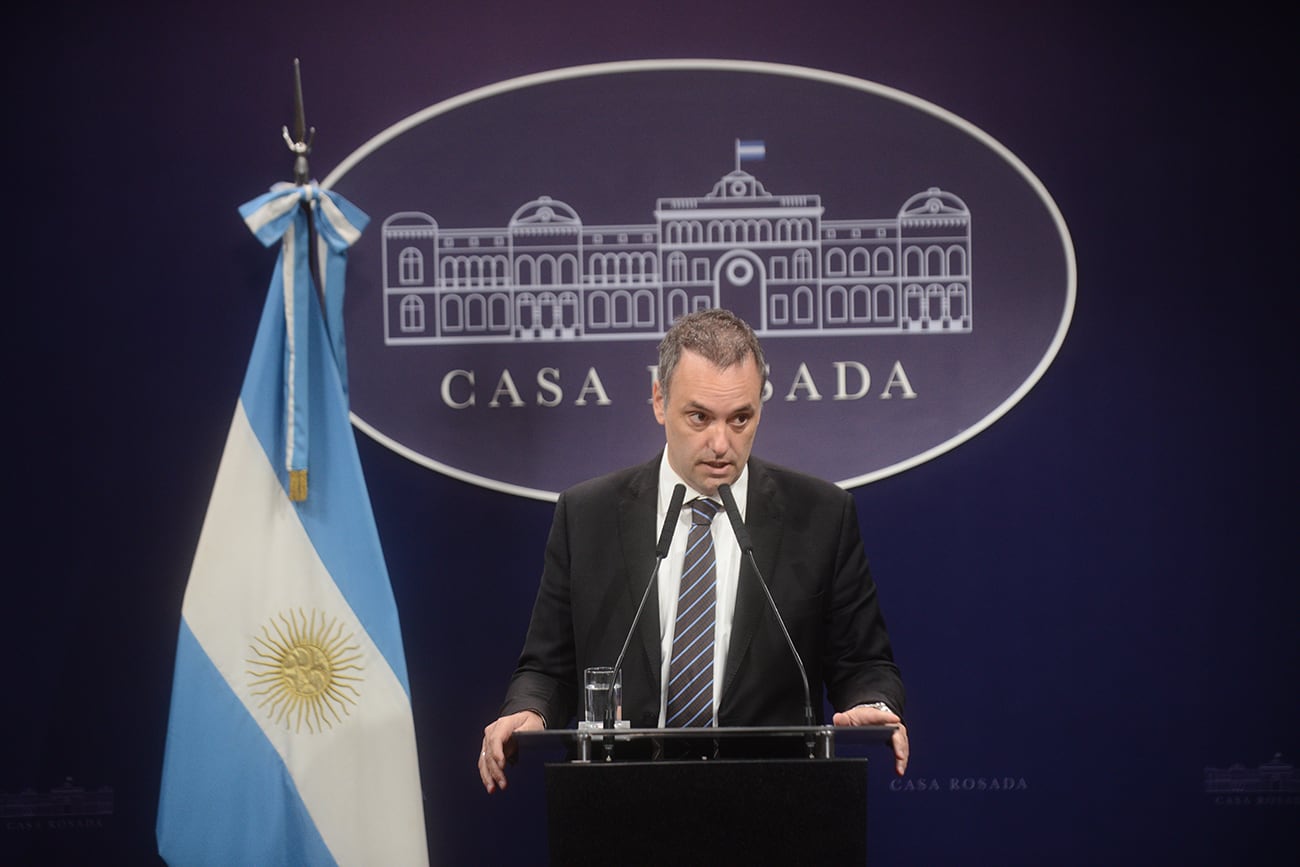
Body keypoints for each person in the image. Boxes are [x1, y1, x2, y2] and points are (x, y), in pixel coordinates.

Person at [478, 309, 907, 793]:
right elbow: (546, 666)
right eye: (699, 416)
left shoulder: (822, 515)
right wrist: (527, 711)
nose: (721, 443)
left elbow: (865, 664)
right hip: (621, 802)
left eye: (740, 418)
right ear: (660, 401)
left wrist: (876, 703)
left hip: (773, 803)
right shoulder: (588, 514)